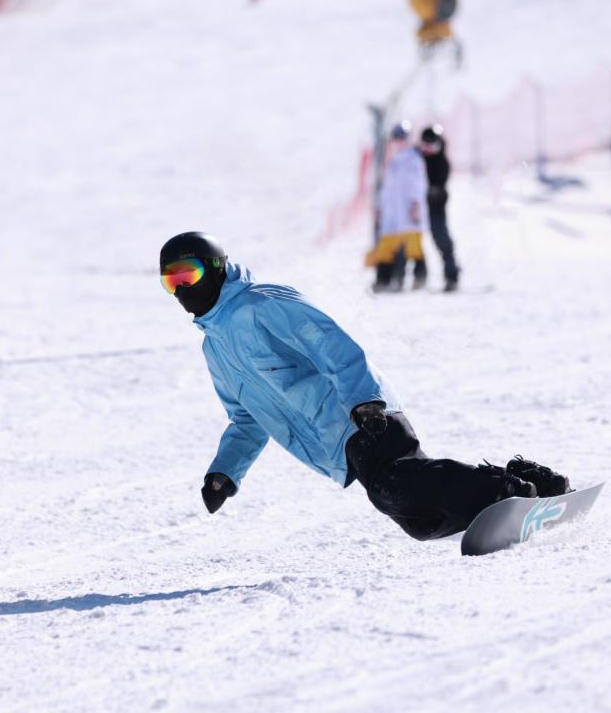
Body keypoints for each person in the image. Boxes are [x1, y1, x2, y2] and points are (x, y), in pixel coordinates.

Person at [160, 231, 570, 541]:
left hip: (360, 415)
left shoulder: (261, 303)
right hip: (338, 443)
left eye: (188, 274)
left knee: (394, 486)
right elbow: (246, 419)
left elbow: (329, 343)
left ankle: (503, 492)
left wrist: (365, 400)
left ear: (215, 268)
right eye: (170, 281)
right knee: (421, 522)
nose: (181, 288)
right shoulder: (214, 350)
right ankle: (528, 482)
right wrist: (225, 473)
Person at [368, 120, 428, 292]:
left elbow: (417, 184)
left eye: (403, 137)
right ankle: (383, 280)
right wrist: (381, 208)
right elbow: (387, 189)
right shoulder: (393, 161)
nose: (400, 141)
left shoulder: (414, 159)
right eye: (397, 138)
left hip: (409, 211)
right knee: (386, 246)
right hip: (392, 213)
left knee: (413, 246)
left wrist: (415, 204)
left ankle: (420, 277)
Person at [419, 124, 461, 292]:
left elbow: (439, 185)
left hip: (435, 208)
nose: (428, 150)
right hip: (417, 209)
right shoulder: (419, 159)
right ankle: (416, 275)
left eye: (431, 146)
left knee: (441, 238)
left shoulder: (441, 162)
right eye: (425, 146)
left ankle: (451, 273)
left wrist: (432, 192)